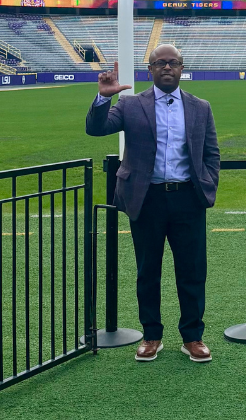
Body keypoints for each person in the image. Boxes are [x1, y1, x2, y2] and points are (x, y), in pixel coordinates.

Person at [86, 45, 220, 363]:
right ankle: (151, 335)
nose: (167, 68)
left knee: (192, 270)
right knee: (148, 271)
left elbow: (211, 153)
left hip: (188, 198)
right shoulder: (131, 104)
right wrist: (104, 97)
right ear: (150, 69)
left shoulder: (200, 107)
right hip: (147, 199)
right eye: (160, 63)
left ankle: (193, 336)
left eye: (173, 63)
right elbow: (96, 128)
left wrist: (207, 184)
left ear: (181, 68)